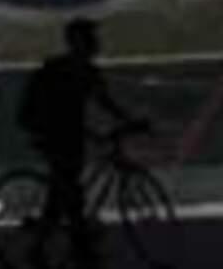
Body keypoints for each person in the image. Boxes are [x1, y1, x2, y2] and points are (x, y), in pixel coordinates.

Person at [18, 19, 143, 268]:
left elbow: (105, 102)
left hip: (69, 136)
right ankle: (82, 251)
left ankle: (41, 248)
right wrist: (111, 128)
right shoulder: (59, 70)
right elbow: (63, 114)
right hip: (52, 135)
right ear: (77, 42)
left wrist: (129, 120)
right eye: (90, 38)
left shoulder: (88, 71)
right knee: (72, 194)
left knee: (60, 196)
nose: (96, 43)